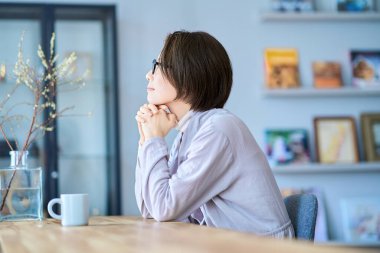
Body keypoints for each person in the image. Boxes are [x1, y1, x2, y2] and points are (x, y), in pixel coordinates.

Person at [135, 30, 294, 238]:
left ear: (188, 75)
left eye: (158, 65)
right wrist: (146, 138)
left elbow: (164, 208)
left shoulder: (218, 130)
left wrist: (155, 140)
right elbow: (149, 209)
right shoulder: (190, 131)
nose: (149, 74)